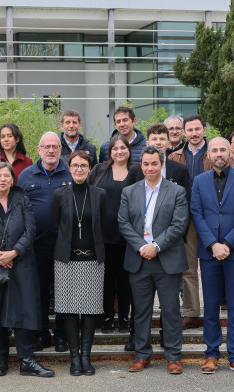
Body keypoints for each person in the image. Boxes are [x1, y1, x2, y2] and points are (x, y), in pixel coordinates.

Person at [0, 162, 54, 378]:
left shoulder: (22, 200)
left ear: (12, 179)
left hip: (21, 263)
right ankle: (1, 360)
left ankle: (27, 360)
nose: (3, 180)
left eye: (7, 176)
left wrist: (14, 252)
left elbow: (30, 230)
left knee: (23, 311)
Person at [118, 146, 189, 375]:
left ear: (161, 165)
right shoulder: (129, 192)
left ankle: (173, 357)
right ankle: (142, 355)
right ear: (141, 165)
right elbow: (123, 224)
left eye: (154, 164)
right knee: (141, 311)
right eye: (146, 164)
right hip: (139, 259)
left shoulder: (176, 191)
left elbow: (179, 225)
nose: (150, 168)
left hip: (166, 258)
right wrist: (142, 247)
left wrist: (156, 246)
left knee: (170, 310)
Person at [190, 137, 234, 376]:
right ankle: (211, 354)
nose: (219, 154)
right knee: (210, 306)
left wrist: (227, 244)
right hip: (209, 254)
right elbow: (196, 214)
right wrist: (212, 244)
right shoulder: (199, 181)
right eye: (215, 150)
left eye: (223, 150)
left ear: (230, 153)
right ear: (208, 154)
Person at [52, 151, 106, 376]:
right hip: (67, 260)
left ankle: (86, 357)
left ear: (90, 167)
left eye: (84, 165)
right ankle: (74, 358)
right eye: (75, 165)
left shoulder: (99, 194)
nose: (79, 169)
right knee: (70, 311)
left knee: (91, 310)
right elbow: (56, 225)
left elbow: (104, 225)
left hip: (92, 259)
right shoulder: (59, 194)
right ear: (69, 168)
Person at [18, 132, 72, 352]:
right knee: (38, 292)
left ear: (60, 149)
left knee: (63, 292)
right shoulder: (26, 175)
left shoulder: (70, 171)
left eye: (55, 147)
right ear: (38, 150)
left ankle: (61, 334)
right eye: (46, 147)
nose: (51, 150)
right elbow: (19, 210)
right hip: (36, 245)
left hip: (64, 244)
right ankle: (41, 333)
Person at [87, 135, 141, 339]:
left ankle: (124, 317)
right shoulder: (100, 170)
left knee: (125, 278)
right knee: (106, 278)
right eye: (115, 148)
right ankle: (108, 316)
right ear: (109, 152)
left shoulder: (135, 171)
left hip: (128, 235)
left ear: (129, 150)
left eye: (123, 148)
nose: (119, 151)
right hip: (103, 234)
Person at [167, 113, 211, 329]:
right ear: (185, 132)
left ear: (204, 130)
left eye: (197, 129)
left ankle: (215, 309)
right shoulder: (175, 156)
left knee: (214, 267)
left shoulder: (215, 154)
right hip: (187, 219)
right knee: (189, 268)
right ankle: (192, 312)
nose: (194, 133)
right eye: (190, 130)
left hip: (212, 218)